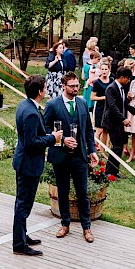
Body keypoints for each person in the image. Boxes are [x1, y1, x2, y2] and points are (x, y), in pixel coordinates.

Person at [12, 75, 63, 256]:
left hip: (24, 161)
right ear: (40, 91)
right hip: (28, 164)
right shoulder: (32, 112)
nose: (47, 89)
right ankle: (19, 244)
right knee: (23, 205)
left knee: (22, 203)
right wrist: (52, 138)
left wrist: (49, 133)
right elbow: (31, 142)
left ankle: (22, 235)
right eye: (45, 87)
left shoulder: (24, 105)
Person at [44, 71, 99, 243]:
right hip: (60, 156)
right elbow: (44, 129)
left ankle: (86, 227)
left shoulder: (82, 103)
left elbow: (89, 130)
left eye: (77, 86)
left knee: (82, 192)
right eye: (72, 86)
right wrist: (61, 140)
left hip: (79, 157)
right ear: (64, 86)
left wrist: (92, 151)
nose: (76, 89)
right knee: (63, 191)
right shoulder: (53, 105)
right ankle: (65, 224)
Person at [102, 67, 135, 179]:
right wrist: (123, 119)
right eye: (127, 78)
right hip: (112, 121)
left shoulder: (121, 88)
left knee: (119, 146)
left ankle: (115, 170)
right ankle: (109, 171)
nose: (128, 81)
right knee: (116, 146)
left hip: (118, 121)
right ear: (122, 77)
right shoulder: (111, 89)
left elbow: (123, 104)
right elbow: (112, 106)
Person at [90, 62, 114, 149]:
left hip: (109, 108)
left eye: (106, 69)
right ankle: (94, 147)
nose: (104, 71)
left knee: (106, 129)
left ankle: (103, 148)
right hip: (100, 107)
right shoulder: (97, 82)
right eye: (102, 69)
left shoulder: (112, 81)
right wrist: (104, 98)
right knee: (99, 129)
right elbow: (92, 97)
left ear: (109, 70)